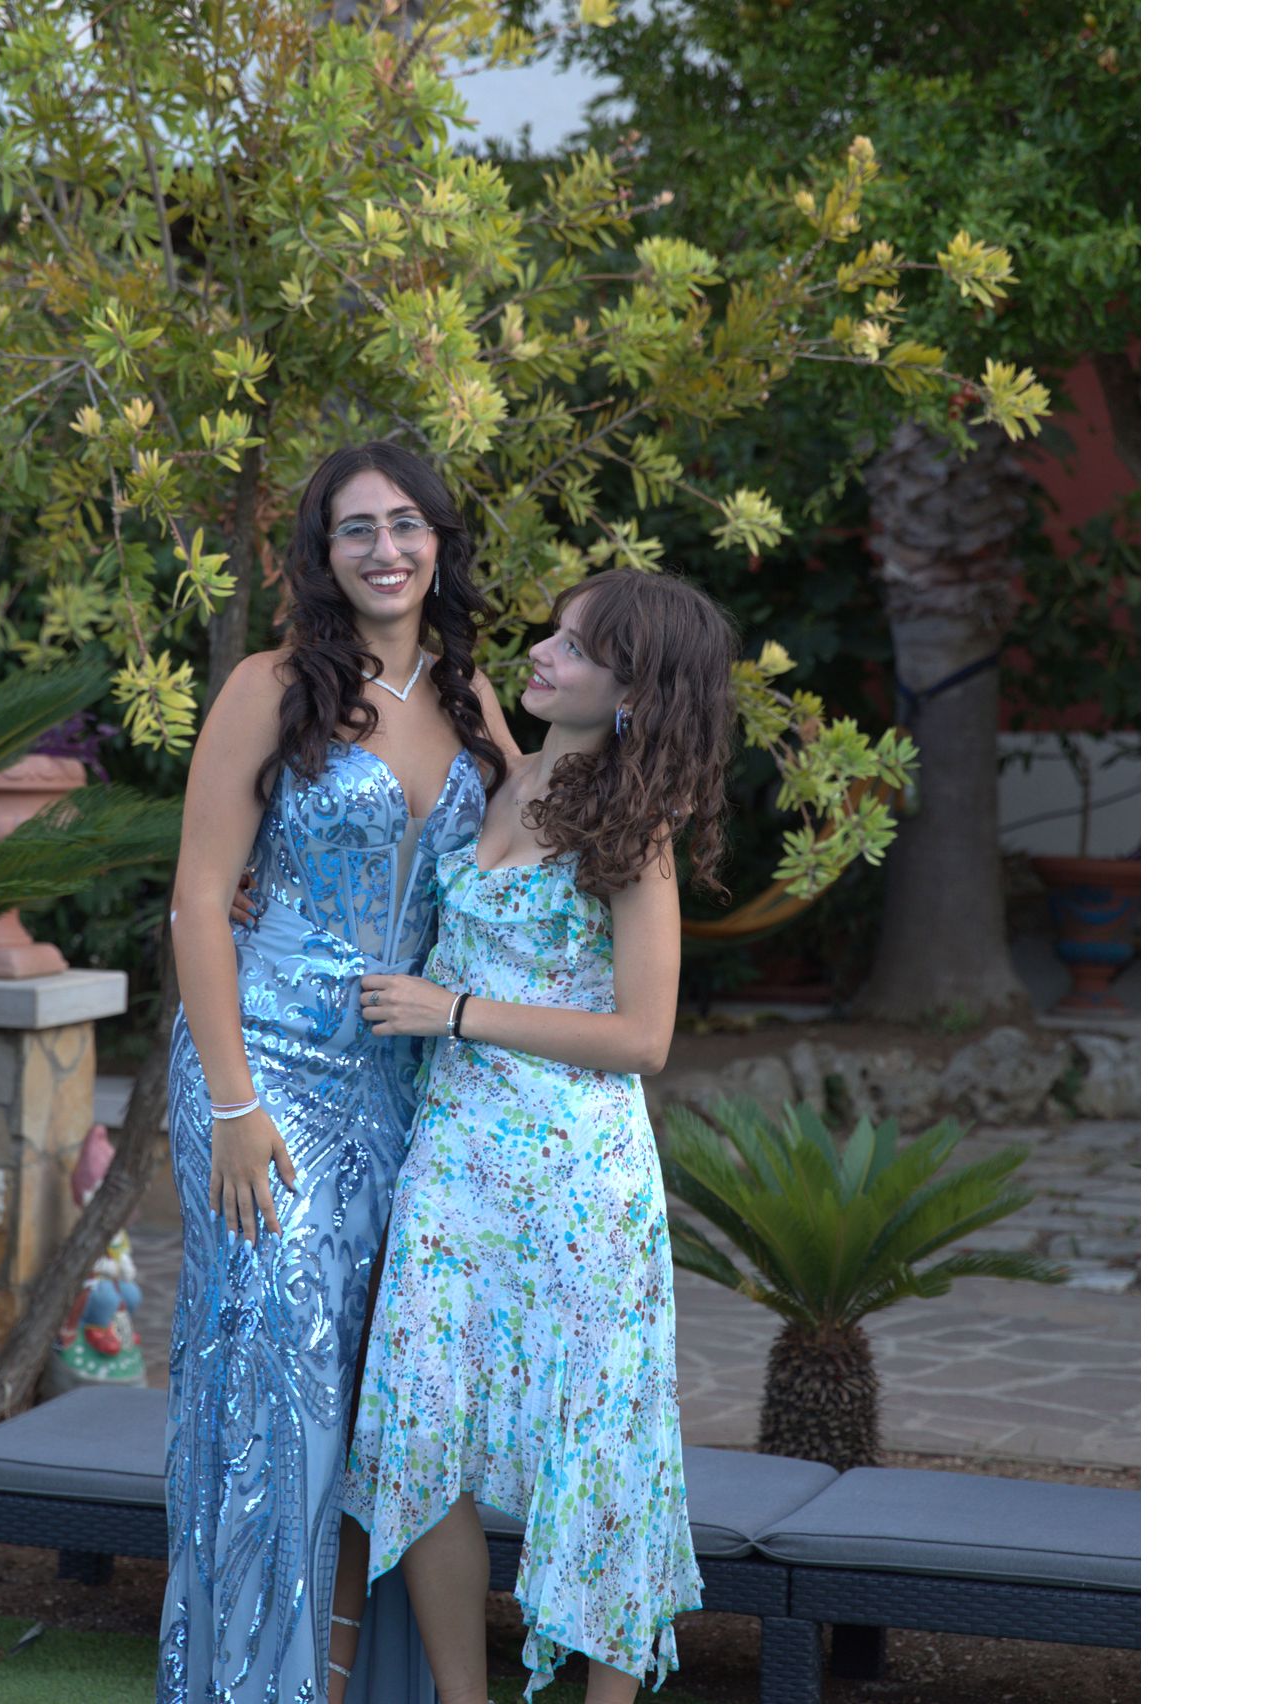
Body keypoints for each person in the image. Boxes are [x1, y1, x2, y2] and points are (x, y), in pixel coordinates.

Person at [156, 440, 517, 1704]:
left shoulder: (473, 700)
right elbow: (200, 901)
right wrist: (232, 1105)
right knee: (280, 1384)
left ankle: (346, 1680)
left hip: (406, 1088)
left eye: (406, 524)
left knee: (379, 1390)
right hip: (262, 1070)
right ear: (321, 554)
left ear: (439, 544)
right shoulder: (269, 687)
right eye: (355, 528)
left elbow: (533, 859)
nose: (384, 549)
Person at [341, 567, 737, 1703]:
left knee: (600, 1454)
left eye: (574, 647)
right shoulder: (501, 774)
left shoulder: (636, 830)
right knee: (422, 1436)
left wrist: (455, 1012)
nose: (543, 653)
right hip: (454, 1165)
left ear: (634, 690)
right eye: (553, 633)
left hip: (575, 1185)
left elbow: (645, 1037)